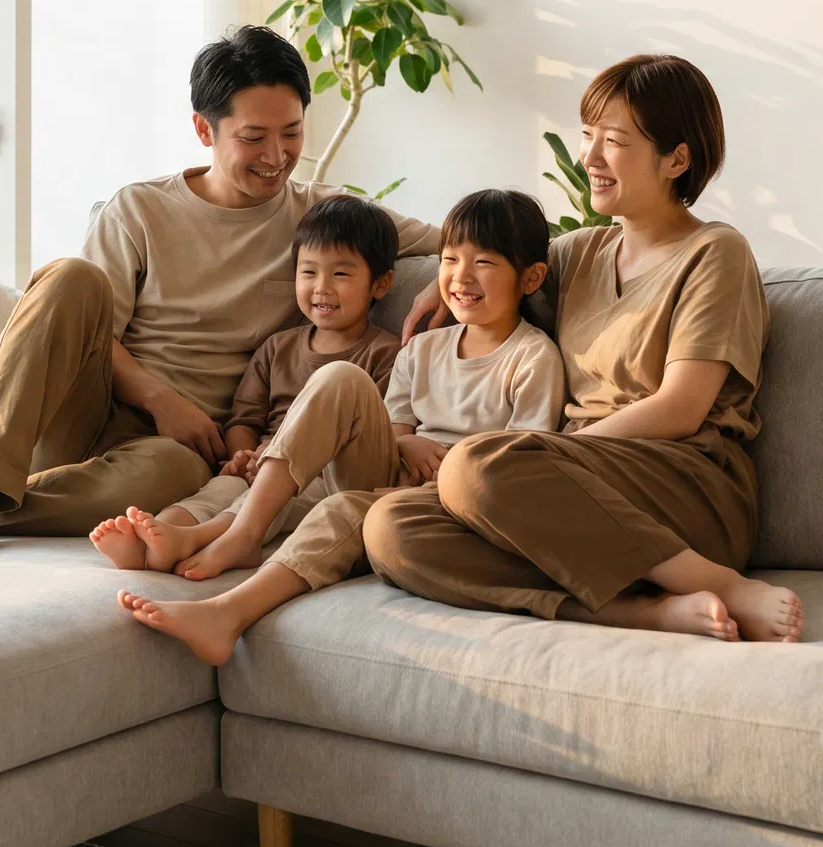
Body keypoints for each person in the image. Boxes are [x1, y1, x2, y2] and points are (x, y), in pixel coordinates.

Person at [0, 25, 443, 560]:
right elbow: (82, 328)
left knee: (163, 483)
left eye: (293, 133)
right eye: (254, 137)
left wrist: (445, 280)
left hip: (186, 452)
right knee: (66, 275)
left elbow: (461, 240)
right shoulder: (140, 209)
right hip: (90, 412)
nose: (277, 156)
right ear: (205, 129)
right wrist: (157, 395)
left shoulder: (320, 221)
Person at [363, 55, 803, 643]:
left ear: (677, 158)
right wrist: (444, 279)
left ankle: (719, 582)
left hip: (687, 483)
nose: (589, 158)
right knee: (391, 528)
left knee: (477, 464)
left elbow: (681, 407)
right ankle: (641, 611)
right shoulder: (578, 255)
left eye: (614, 141)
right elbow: (501, 264)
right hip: (568, 491)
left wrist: (543, 455)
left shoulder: (715, 253)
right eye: (588, 137)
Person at [117, 189, 567, 664]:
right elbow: (393, 429)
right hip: (386, 471)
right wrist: (407, 444)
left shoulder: (532, 357)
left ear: (531, 277)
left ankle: (227, 613)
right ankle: (237, 534)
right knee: (338, 377)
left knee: (340, 511)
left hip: (447, 503)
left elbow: (520, 463)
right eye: (451, 259)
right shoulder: (423, 349)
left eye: (484, 263)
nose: (461, 276)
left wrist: (447, 467)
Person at [89, 192, 402, 572]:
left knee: (279, 497)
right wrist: (243, 456)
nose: (321, 287)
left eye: (340, 274)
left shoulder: (386, 354)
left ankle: (211, 539)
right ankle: (160, 534)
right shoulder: (277, 347)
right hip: (262, 462)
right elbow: (245, 419)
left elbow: (378, 433)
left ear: (381, 284)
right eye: (308, 272)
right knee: (220, 488)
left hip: (326, 474)